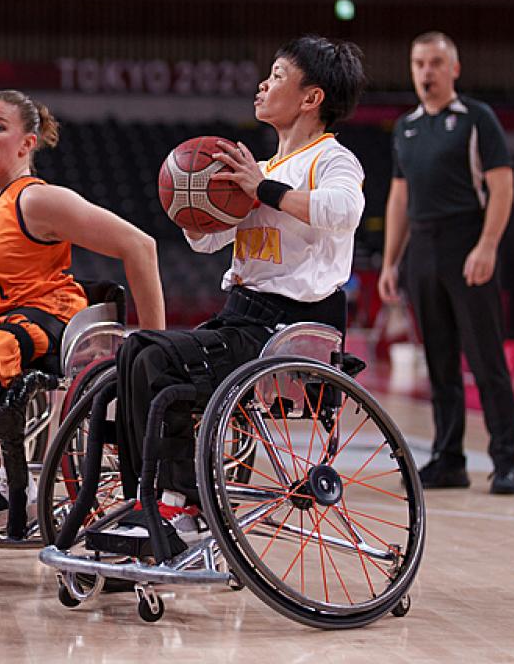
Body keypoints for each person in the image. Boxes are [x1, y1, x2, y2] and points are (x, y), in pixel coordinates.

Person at [99, 35, 368, 548]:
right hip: (242, 316)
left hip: (290, 326)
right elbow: (208, 242)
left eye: (278, 75)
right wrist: (189, 200)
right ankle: (145, 499)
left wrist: (261, 190)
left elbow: (344, 213)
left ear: (311, 98)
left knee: (159, 362)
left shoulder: (334, 160)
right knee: (135, 350)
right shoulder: (259, 169)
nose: (263, 84)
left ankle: (183, 505)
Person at [0, 89, 166, 530]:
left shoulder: (36, 200)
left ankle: (18, 487)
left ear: (27, 143)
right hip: (3, 323)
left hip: (51, 318)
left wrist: (153, 346)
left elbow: (141, 245)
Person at [378, 31, 514, 495]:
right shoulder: (406, 127)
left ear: (454, 69)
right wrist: (390, 262)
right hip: (422, 249)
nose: (427, 72)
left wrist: (488, 245)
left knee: (484, 358)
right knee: (437, 360)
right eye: (419, 63)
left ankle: (504, 462)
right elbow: (399, 198)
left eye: (436, 63)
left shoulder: (477, 119)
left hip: (467, 244)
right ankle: (449, 459)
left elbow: (502, 187)